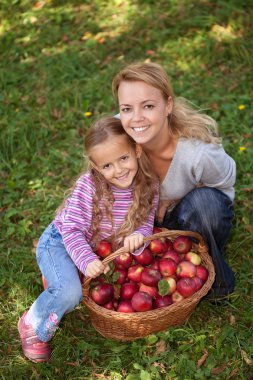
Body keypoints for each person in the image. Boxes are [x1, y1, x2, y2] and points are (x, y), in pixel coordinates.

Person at [18, 116, 159, 363]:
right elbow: (71, 230)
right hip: (60, 242)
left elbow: (145, 222)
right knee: (71, 293)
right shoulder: (90, 187)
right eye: (107, 166)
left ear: (136, 150)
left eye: (123, 158)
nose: (118, 170)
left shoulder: (148, 184)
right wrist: (84, 260)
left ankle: (61, 278)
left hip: (96, 247)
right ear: (95, 167)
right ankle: (33, 323)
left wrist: (139, 234)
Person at [112, 61, 236, 302]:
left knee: (205, 205)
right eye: (126, 108)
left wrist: (175, 198)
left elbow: (225, 182)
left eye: (148, 106)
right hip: (140, 220)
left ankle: (216, 279)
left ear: (168, 105)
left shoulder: (197, 155)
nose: (136, 119)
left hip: (187, 218)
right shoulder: (118, 135)